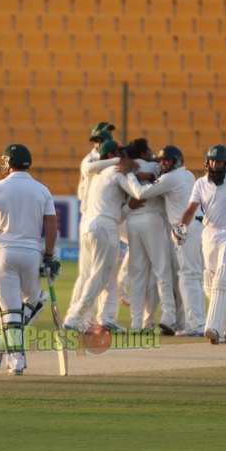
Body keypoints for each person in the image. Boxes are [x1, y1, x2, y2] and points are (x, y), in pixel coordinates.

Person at [0, 144, 58, 376]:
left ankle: (11, 356)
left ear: (9, 163)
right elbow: (51, 226)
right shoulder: (42, 189)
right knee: (36, 299)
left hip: (4, 251)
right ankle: (13, 360)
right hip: (31, 252)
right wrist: (49, 255)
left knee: (9, 311)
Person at [172, 144, 226, 345]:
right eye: (211, 161)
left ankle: (214, 328)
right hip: (209, 234)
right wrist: (181, 227)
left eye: (219, 161)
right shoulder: (200, 183)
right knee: (211, 284)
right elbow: (190, 210)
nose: (214, 164)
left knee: (224, 276)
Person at [120, 145, 206, 336]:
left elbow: (141, 193)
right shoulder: (187, 175)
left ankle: (195, 324)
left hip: (186, 229)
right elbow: (158, 180)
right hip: (194, 227)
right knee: (192, 277)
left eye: (167, 160)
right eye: (161, 160)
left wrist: (130, 175)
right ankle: (192, 322)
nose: (163, 163)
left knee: (188, 277)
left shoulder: (171, 178)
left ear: (177, 161)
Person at [64, 140, 139, 333]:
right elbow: (137, 191)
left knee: (94, 276)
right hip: (105, 227)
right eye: (119, 152)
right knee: (98, 278)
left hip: (91, 225)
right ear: (109, 155)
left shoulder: (98, 175)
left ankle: (79, 317)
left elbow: (120, 208)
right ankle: (75, 318)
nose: (123, 155)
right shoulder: (115, 171)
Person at [116, 139, 176, 333]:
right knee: (161, 271)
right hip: (152, 220)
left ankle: (136, 323)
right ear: (142, 153)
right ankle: (168, 316)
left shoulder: (123, 169)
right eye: (149, 149)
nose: (153, 153)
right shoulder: (156, 166)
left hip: (133, 221)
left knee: (138, 275)